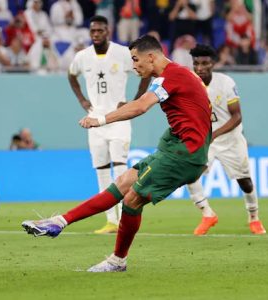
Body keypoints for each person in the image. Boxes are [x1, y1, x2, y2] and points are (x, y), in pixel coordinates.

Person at [22, 35, 212, 272]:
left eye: (135, 60)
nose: (133, 66)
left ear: (151, 56)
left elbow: (141, 106)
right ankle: (59, 222)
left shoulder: (171, 76)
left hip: (184, 152)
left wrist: (101, 119)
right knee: (122, 183)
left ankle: (117, 261)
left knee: (132, 199)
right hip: (177, 146)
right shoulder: (175, 75)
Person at [68, 15, 149, 234]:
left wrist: (135, 100)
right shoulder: (82, 56)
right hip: (95, 119)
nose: (96, 34)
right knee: (102, 171)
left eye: (100, 31)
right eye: (93, 31)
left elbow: (144, 72)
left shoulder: (122, 53)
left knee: (120, 168)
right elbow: (71, 75)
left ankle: (125, 217)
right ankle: (111, 220)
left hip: (119, 118)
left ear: (108, 31)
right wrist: (82, 100)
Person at [186, 44, 265, 235]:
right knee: (189, 174)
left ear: (213, 63)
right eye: (196, 63)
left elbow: (237, 117)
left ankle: (253, 217)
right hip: (206, 142)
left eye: (205, 63)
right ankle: (207, 214)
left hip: (230, 140)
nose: (200, 68)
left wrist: (213, 135)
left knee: (244, 182)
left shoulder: (226, 82)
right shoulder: (190, 84)